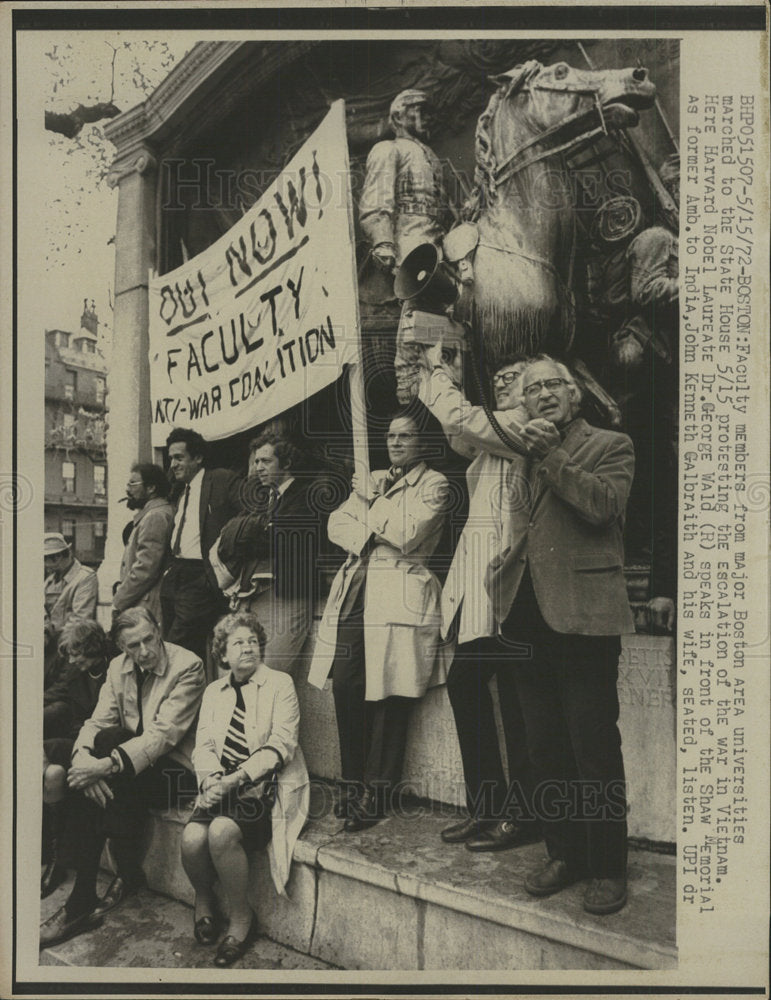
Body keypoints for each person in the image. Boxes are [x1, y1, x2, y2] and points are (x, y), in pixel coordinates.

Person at [486, 355, 635, 915]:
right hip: (526, 615)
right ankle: (564, 852)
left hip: (584, 618)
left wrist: (550, 455)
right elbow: (522, 528)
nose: (544, 394)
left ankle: (607, 867)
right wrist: (498, 573)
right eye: (533, 389)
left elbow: (602, 506)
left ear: (574, 397)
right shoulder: (524, 457)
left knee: (592, 747)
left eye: (554, 385)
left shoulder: (611, 444)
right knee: (543, 746)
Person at [416, 347, 539, 851]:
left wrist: (438, 373)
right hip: (481, 588)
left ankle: (524, 815)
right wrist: (435, 373)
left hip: (513, 589)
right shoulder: (494, 436)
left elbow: (462, 417)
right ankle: (488, 807)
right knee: (470, 686)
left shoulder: (526, 428)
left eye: (517, 377)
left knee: (518, 706)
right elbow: (457, 430)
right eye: (502, 376)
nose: (505, 381)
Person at [307, 411, 451, 830]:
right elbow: (336, 524)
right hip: (356, 593)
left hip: (399, 597)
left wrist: (369, 505)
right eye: (390, 435)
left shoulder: (434, 485)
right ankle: (352, 783)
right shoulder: (376, 479)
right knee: (348, 686)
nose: (396, 442)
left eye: (406, 436)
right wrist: (369, 516)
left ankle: (378, 791)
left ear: (423, 444)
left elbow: (408, 532)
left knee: (389, 695)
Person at [39, 607, 205, 949]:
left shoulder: (188, 665)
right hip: (128, 771)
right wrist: (83, 759)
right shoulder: (118, 667)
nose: (144, 651)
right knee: (98, 744)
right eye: (133, 645)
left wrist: (101, 767)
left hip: (176, 772)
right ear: (121, 646)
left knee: (106, 750)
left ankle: (86, 896)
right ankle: (99, 887)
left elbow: (162, 736)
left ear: (159, 631)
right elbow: (98, 721)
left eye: (148, 639)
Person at [181, 612, 309, 967]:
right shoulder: (213, 691)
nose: (248, 647)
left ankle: (241, 917)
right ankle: (204, 899)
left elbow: (283, 745)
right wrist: (209, 781)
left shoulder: (280, 684)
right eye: (238, 642)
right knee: (191, 839)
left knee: (221, 832)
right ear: (222, 655)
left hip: (263, 787)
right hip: (220, 783)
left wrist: (235, 780)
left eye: (253, 641)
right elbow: (203, 745)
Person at [212, 432, 318, 676]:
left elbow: (279, 541)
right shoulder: (265, 498)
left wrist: (247, 534)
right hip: (256, 595)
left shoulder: (306, 494)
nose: (258, 467)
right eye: (256, 461)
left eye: (266, 461)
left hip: (289, 595)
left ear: (287, 463)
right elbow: (246, 537)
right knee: (241, 670)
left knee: (272, 673)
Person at [160, 428, 242, 678]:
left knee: (177, 648)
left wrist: (225, 562)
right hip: (175, 574)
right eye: (171, 458)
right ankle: (193, 709)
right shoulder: (178, 489)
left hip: (201, 575)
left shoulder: (221, 480)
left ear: (198, 458)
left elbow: (248, 516)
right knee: (177, 647)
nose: (173, 464)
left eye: (179, 457)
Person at [41, 619, 110, 899]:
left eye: (76, 654)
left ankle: (55, 857)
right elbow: (54, 695)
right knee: (52, 772)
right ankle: (55, 856)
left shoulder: (114, 668)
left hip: (101, 745)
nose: (71, 659)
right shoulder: (75, 671)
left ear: (92, 648)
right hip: (76, 741)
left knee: (46, 759)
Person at [359, 89, 448, 270]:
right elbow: (376, 199)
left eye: (429, 113)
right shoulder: (389, 148)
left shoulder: (433, 158)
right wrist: (383, 242)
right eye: (420, 111)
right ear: (399, 117)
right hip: (408, 241)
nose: (428, 118)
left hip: (442, 238)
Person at [113, 463, 175, 625]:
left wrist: (118, 601)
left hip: (148, 606)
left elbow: (146, 569)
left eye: (133, 484)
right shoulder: (156, 514)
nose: (128, 490)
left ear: (151, 488)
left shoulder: (155, 517)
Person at [44, 533, 98, 636]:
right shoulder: (49, 580)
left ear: (67, 554)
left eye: (54, 558)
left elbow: (80, 619)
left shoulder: (85, 577)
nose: (48, 564)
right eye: (46, 558)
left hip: (72, 641)